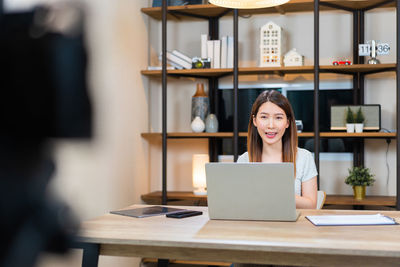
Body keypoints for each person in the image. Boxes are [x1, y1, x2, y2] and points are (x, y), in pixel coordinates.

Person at [237, 90, 318, 209]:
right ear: (255, 121)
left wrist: (273, 193)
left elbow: (311, 205)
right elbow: (240, 204)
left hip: (293, 226)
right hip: (256, 225)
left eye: (278, 118)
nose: (271, 125)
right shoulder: (244, 160)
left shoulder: (304, 157)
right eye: (264, 117)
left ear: (287, 122)